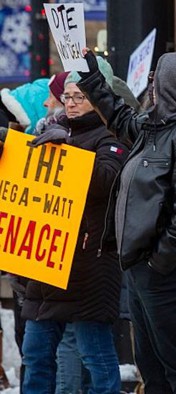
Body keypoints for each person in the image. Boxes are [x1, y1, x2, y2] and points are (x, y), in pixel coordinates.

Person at [77, 48, 176, 393]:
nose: (151, 87)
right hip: (146, 265)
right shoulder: (157, 125)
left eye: (155, 81)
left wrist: (161, 259)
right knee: (151, 364)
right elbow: (119, 117)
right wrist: (89, 76)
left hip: (170, 270)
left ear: (171, 87)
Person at [19, 63, 127, 394]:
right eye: (67, 95)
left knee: (96, 358)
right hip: (47, 263)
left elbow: (106, 181)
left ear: (100, 97)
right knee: (35, 356)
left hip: (88, 266)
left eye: (80, 96)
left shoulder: (113, 137)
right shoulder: (48, 131)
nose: (71, 102)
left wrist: (64, 150)